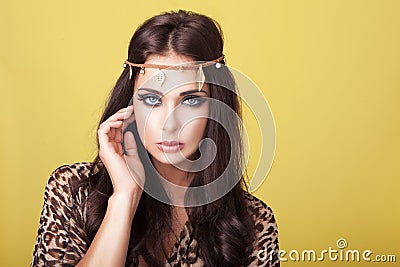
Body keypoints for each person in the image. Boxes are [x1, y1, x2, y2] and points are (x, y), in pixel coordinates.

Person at [30, 9, 280, 267]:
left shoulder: (254, 222)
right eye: (152, 99)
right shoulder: (73, 191)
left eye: (191, 100)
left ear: (216, 107)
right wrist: (125, 198)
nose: (169, 125)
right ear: (130, 105)